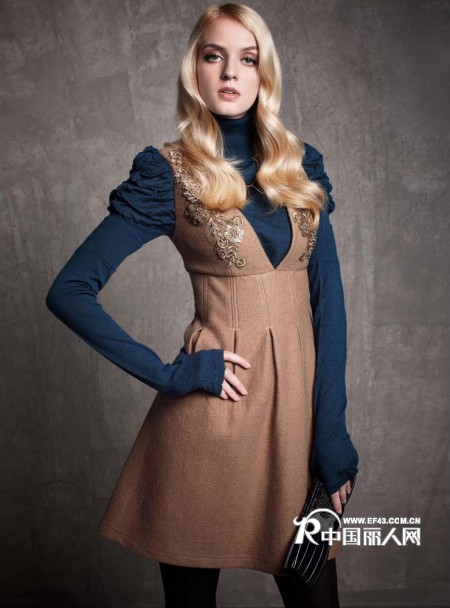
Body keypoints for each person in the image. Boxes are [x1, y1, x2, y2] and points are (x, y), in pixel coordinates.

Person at [46, 3, 359, 607]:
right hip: (210, 422)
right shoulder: (167, 174)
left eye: (248, 59)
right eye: (214, 56)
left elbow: (330, 305)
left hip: (298, 429)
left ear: (265, 72)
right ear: (195, 68)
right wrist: (173, 374)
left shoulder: (301, 166)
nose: (230, 72)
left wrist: (332, 433)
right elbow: (69, 289)